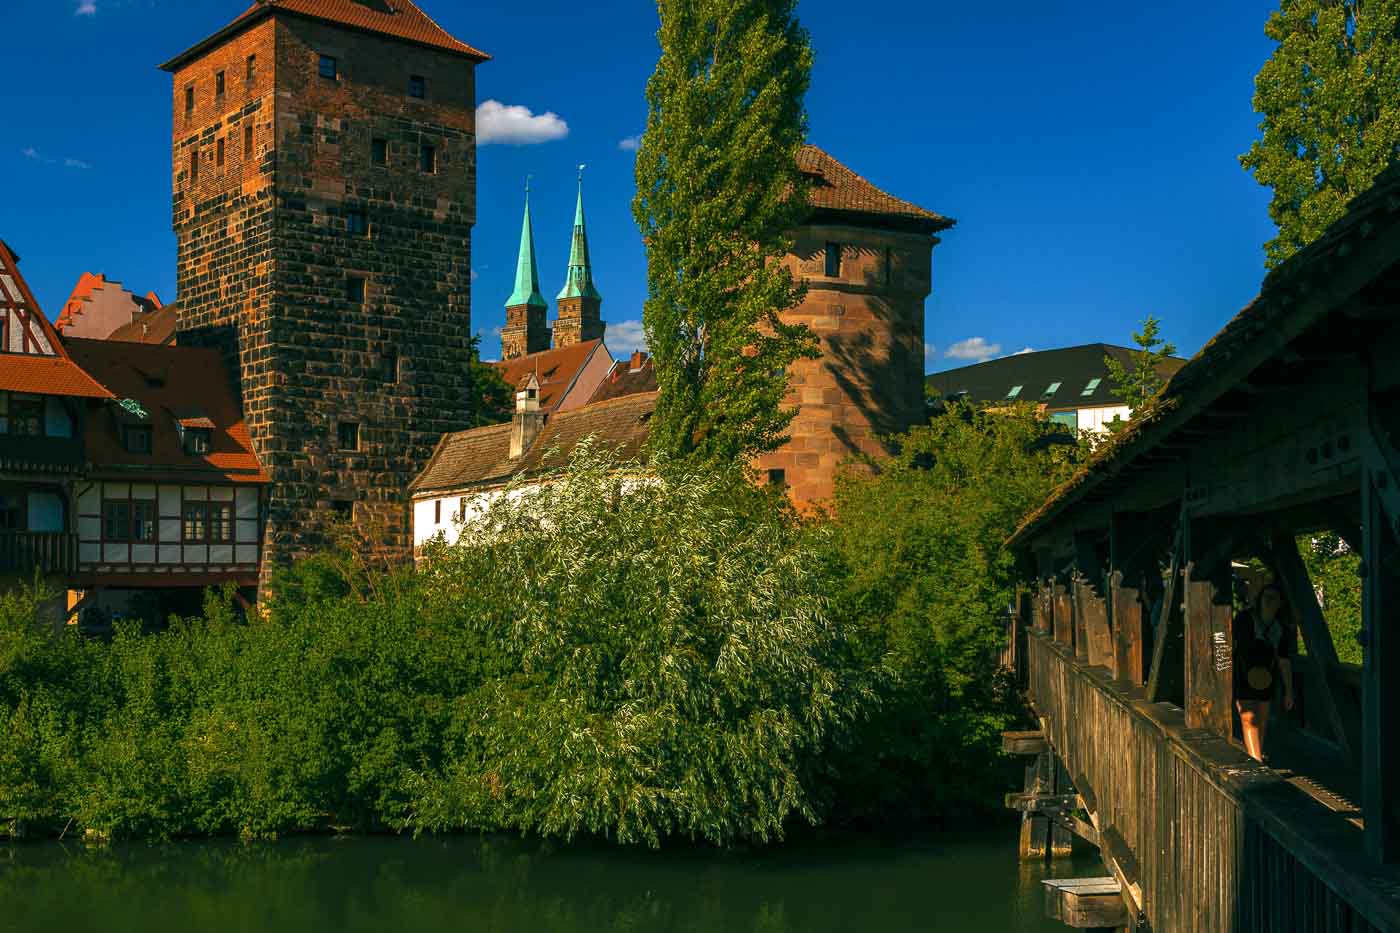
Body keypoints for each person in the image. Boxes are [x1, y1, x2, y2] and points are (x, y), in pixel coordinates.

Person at [1233, 583, 1295, 762]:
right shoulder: (1245, 618)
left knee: (1261, 721)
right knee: (1249, 718)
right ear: (1259, 599)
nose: (1268, 601)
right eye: (1266, 596)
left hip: (1266, 679)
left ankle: (1255, 756)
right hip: (1243, 675)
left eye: (1273, 597)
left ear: (1280, 603)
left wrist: (1289, 692)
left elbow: (1284, 662)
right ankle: (1257, 762)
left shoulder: (1280, 629)